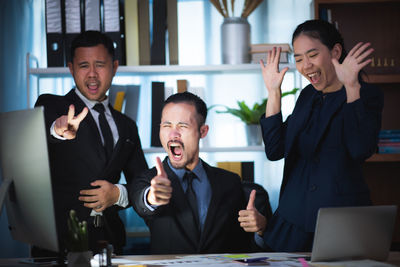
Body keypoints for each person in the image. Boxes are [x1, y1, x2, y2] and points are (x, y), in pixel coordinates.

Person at [238, 19, 383, 252]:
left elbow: (360, 150)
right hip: (292, 223)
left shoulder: (366, 95)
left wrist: (351, 88)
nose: (306, 66)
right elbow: (275, 150)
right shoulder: (307, 96)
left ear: (335, 51)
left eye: (312, 55)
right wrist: (273, 92)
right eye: (298, 59)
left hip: (342, 224)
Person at [34, 31, 148, 255]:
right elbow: (42, 138)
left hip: (110, 241)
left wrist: (118, 194)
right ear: (71, 68)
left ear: (114, 67)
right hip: (59, 242)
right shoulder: (52, 106)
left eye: (100, 65)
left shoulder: (127, 125)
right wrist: (57, 131)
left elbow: (141, 181)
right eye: (84, 65)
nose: (92, 75)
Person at [129, 92, 252, 254]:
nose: (173, 134)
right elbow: (142, 201)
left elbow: (242, 242)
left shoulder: (230, 182)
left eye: (182, 126)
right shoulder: (147, 180)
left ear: (203, 131)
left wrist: (260, 230)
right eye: (166, 126)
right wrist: (153, 197)